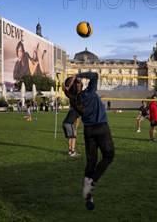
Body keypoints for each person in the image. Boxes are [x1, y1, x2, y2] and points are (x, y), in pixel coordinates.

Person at [64, 72, 115, 211]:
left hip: (89, 131)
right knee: (109, 156)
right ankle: (91, 182)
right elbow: (94, 75)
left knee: (91, 161)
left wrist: (71, 84)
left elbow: (72, 92)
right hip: (101, 128)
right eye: (79, 81)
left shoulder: (74, 100)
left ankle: (88, 196)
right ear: (78, 85)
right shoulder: (87, 93)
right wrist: (77, 74)